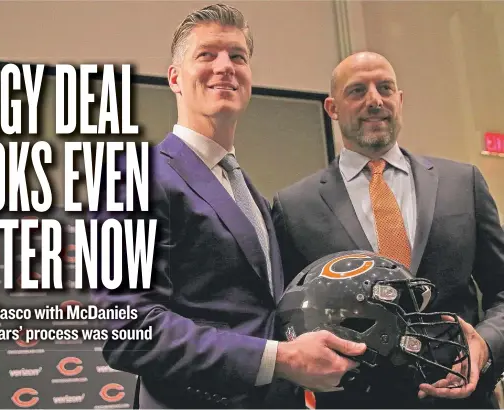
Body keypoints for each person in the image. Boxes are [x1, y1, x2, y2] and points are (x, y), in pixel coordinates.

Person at [92, 4, 367, 409]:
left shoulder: (249, 192)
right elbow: (128, 328)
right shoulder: (135, 175)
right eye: (207, 55)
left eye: (237, 56)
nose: (225, 67)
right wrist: (281, 358)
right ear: (175, 78)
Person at [271, 51, 504, 409]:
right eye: (357, 91)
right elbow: (284, 317)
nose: (374, 100)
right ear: (332, 108)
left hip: (463, 398)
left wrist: (487, 342)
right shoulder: (294, 206)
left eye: (385, 88)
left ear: (400, 99)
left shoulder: (463, 184)